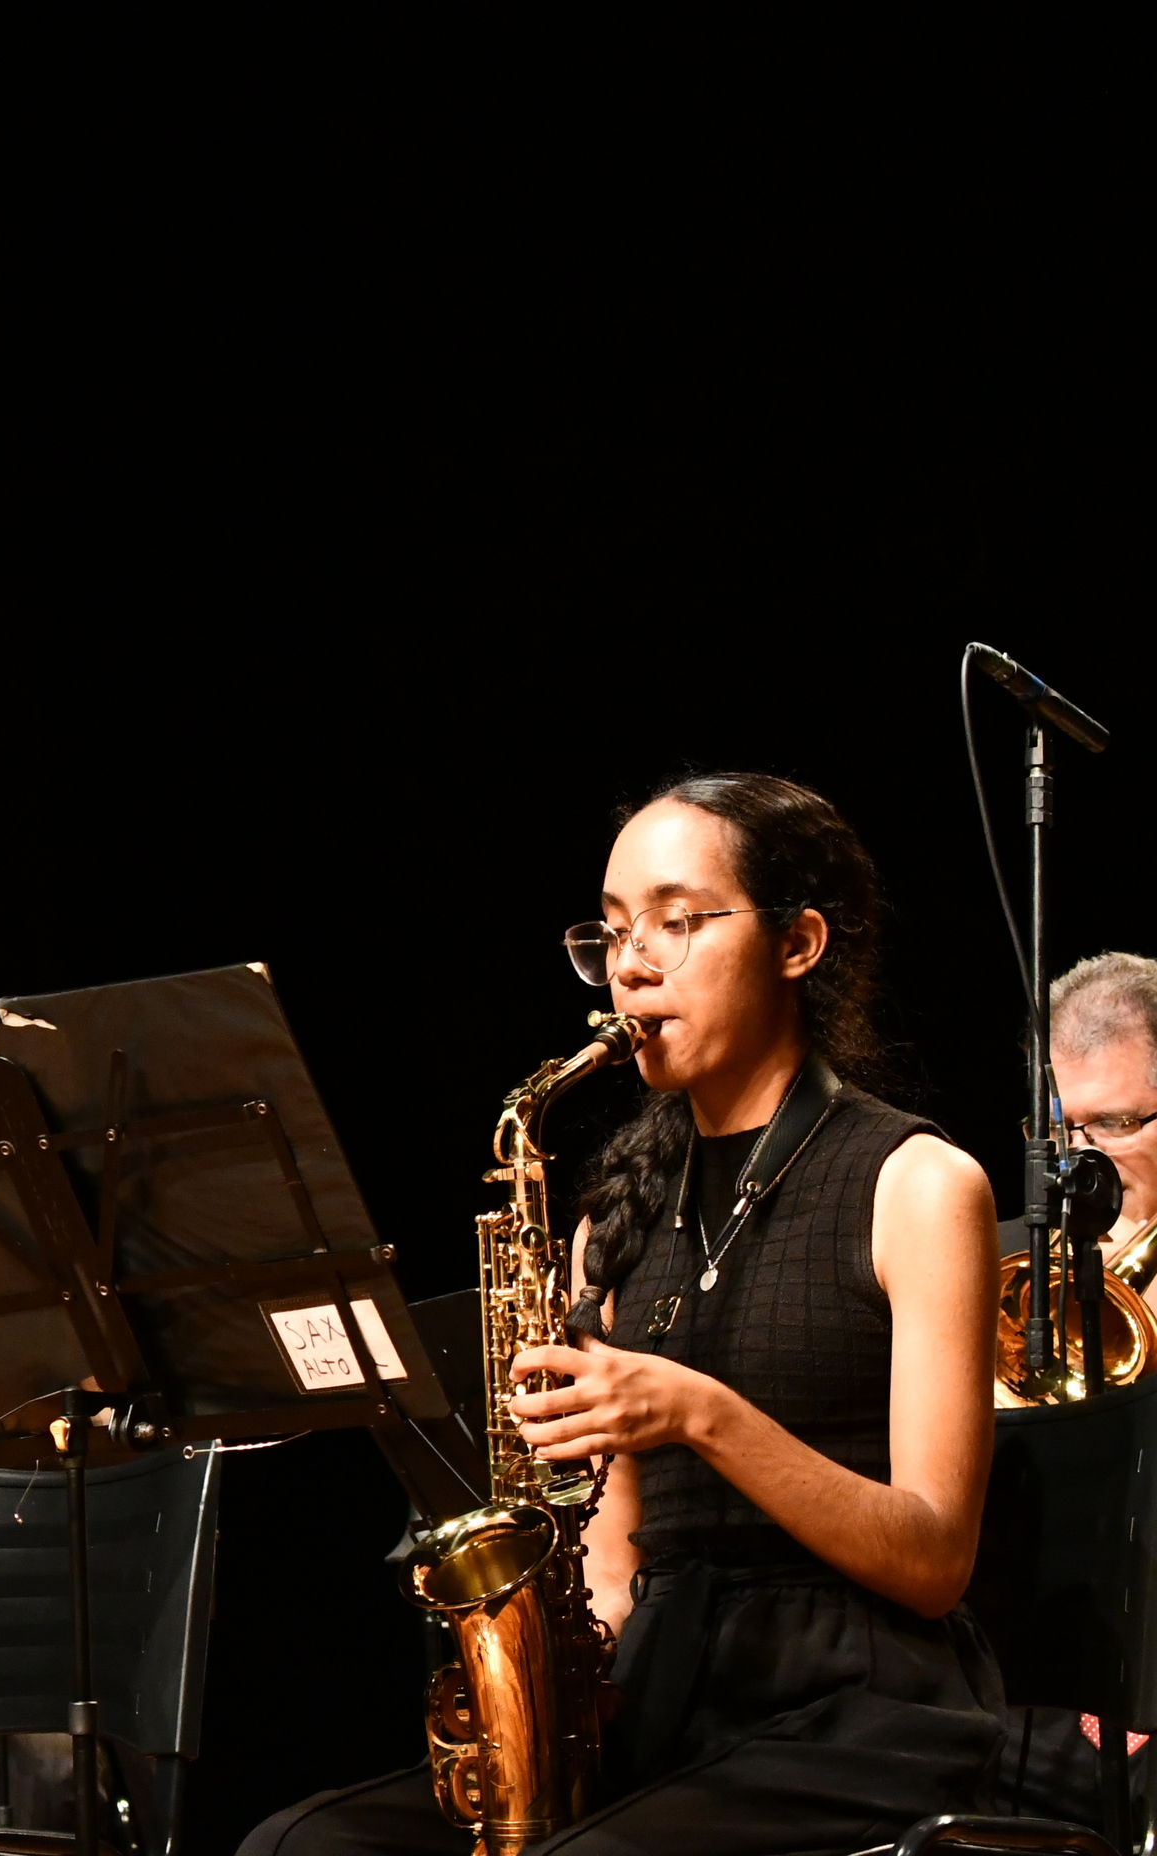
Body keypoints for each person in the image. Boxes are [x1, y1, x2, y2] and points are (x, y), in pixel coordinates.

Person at [244, 772, 1003, 1855]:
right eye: (610, 932)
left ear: (797, 943)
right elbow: (608, 1560)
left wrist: (702, 1413)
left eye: (675, 921)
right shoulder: (612, 1221)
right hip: (668, 1690)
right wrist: (548, 1679)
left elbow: (933, 1560)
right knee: (299, 1844)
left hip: (864, 1709)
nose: (631, 964)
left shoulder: (919, 1183)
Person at [989, 951, 1157, 1823]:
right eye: (1061, 1132)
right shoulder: (1001, 1266)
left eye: (1117, 1124)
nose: (1081, 1165)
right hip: (1025, 1695)